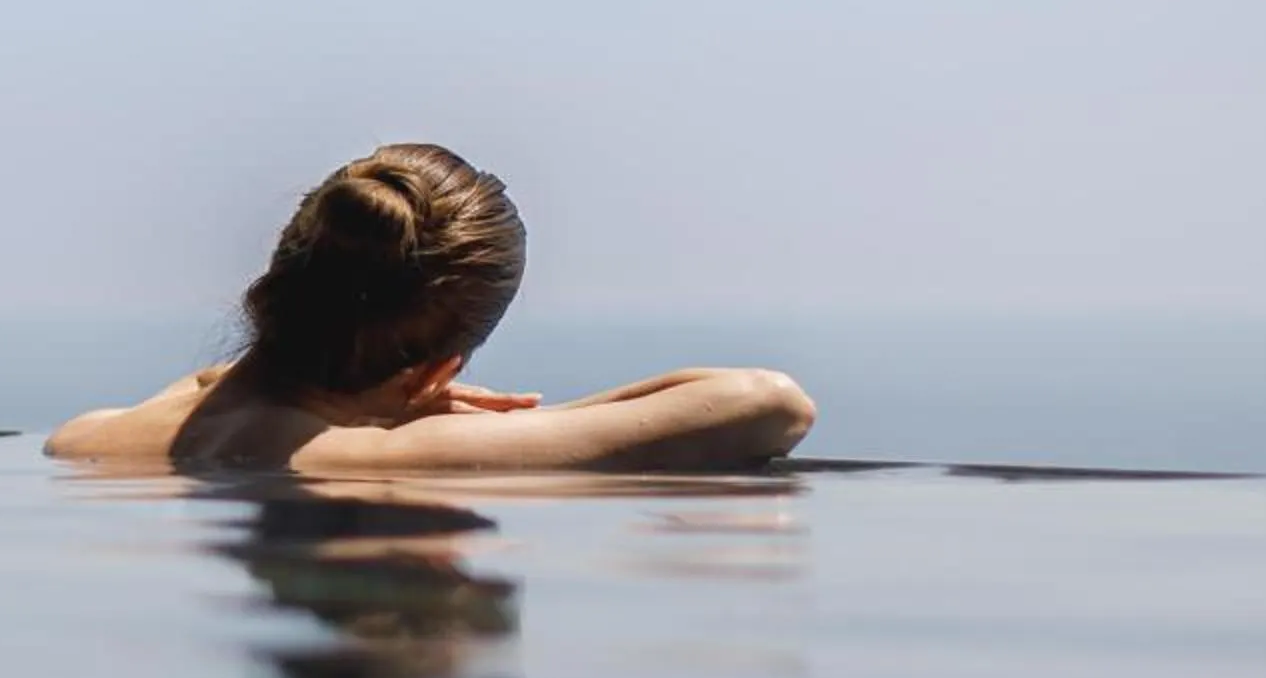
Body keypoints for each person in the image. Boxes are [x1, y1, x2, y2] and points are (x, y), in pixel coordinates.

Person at [45, 142, 815, 472]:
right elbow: (766, 404)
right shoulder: (378, 459)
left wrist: (390, 403)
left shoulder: (89, 439)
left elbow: (221, 387)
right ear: (439, 368)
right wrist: (439, 420)